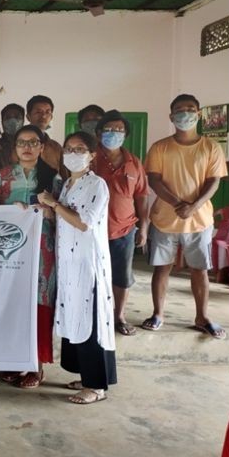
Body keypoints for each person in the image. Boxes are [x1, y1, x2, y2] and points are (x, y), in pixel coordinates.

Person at [37, 131, 117, 404]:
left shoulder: (97, 184)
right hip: (68, 262)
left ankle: (96, 386)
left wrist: (55, 204)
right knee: (75, 316)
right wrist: (45, 208)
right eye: (69, 149)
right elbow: (62, 217)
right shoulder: (67, 183)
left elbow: (84, 222)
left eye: (79, 149)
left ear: (92, 155)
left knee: (90, 319)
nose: (73, 153)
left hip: (87, 263)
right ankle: (86, 375)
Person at [143, 94, 228, 339]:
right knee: (162, 269)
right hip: (164, 219)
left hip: (199, 220)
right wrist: (178, 203)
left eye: (190, 109)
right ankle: (158, 314)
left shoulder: (211, 147)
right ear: (171, 117)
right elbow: (154, 179)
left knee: (200, 269)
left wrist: (194, 206)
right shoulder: (160, 147)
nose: (185, 113)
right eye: (179, 110)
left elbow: (214, 181)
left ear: (199, 114)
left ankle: (202, 317)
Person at [0, 125, 59, 389]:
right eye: (22, 143)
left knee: (39, 305)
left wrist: (47, 210)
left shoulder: (54, 179)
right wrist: (12, 213)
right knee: (12, 303)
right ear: (15, 148)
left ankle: (35, 365)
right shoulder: (2, 178)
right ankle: (12, 359)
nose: (27, 147)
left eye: (33, 142)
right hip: (9, 252)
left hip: (43, 251)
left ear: (41, 146)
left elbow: (62, 216)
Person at [93, 111, 149, 336]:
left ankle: (119, 316)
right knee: (93, 275)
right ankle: (94, 314)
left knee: (122, 276)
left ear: (126, 134)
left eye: (119, 130)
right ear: (99, 133)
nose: (114, 133)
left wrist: (144, 226)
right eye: (109, 129)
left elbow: (142, 195)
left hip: (123, 230)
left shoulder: (133, 162)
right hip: (91, 230)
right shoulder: (90, 157)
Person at [26, 95, 62, 172]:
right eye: (38, 112)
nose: (43, 116)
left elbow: (63, 176)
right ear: (28, 116)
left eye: (47, 112)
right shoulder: (18, 144)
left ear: (51, 117)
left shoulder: (56, 148)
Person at [0, 103, 25, 169]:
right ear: (2, 122)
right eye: (8, 117)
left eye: (16, 117)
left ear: (23, 121)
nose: (12, 120)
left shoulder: (31, 145)